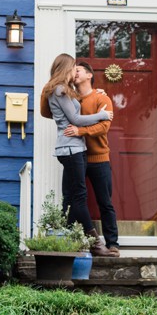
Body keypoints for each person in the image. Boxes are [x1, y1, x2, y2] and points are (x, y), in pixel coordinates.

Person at [39, 53, 112, 257]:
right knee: (79, 197)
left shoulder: (62, 90)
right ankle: (95, 243)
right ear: (66, 69)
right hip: (71, 149)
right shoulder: (60, 90)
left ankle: (66, 239)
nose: (75, 71)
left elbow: (74, 106)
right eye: (73, 67)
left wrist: (96, 92)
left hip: (71, 149)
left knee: (69, 199)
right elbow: (76, 119)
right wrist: (103, 115)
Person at [65, 63, 119, 257]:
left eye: (78, 70)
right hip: (76, 157)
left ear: (89, 75)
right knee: (72, 200)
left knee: (105, 202)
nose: (74, 73)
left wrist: (81, 131)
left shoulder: (101, 98)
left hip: (99, 158)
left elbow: (103, 127)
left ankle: (112, 243)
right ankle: (74, 242)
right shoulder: (69, 98)